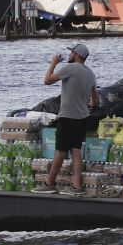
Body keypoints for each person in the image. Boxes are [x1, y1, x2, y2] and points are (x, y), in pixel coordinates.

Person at [39, 43, 98, 196]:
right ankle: (76, 186)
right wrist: (86, 103)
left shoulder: (70, 68)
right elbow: (95, 102)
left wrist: (53, 62)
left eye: (72, 53)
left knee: (60, 150)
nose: (70, 55)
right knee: (76, 150)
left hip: (68, 116)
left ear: (78, 55)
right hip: (83, 118)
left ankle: (49, 183)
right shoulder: (91, 74)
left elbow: (47, 80)